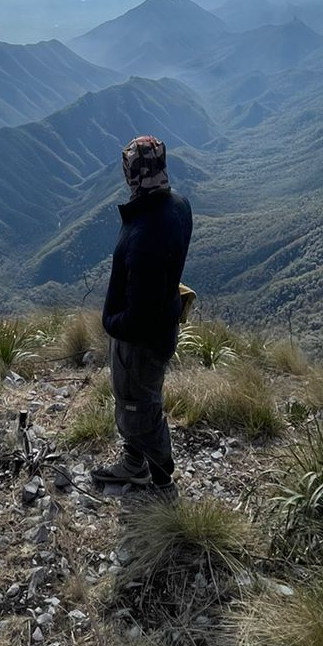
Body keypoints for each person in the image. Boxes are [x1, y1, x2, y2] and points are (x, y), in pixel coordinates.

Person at [93, 134, 193, 495]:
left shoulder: (144, 232)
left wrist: (110, 322)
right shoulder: (178, 207)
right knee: (145, 398)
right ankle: (134, 464)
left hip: (140, 343)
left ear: (130, 174)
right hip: (164, 327)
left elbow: (137, 319)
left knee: (138, 409)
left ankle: (162, 482)